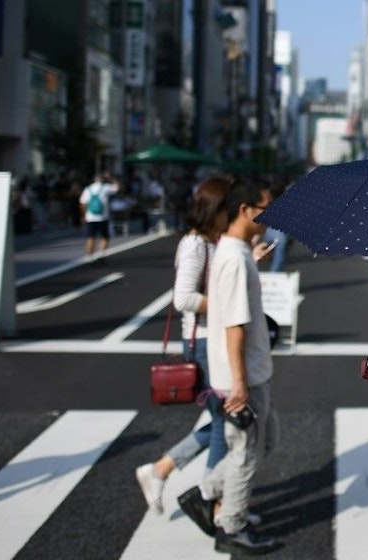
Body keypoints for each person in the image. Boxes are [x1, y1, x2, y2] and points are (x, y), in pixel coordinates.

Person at [135, 176, 231, 521]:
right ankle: (212, 500)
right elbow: (183, 298)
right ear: (213, 210)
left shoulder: (211, 242)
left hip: (212, 338)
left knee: (229, 420)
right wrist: (225, 301)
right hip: (202, 342)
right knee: (226, 422)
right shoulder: (194, 245)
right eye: (227, 209)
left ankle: (162, 470)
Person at [201, 177, 279, 554]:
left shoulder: (237, 253)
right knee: (246, 452)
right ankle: (231, 524)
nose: (269, 213)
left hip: (252, 370)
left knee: (265, 441)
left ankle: (207, 494)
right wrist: (239, 382)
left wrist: (255, 260)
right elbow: (234, 324)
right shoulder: (232, 259)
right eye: (265, 206)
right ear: (245, 210)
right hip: (243, 375)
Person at [79, 172, 121, 261]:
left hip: (90, 217)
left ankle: (90, 257)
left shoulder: (88, 189)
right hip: (103, 217)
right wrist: (110, 178)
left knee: (90, 237)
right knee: (105, 236)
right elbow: (117, 187)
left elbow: (82, 203)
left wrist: (84, 215)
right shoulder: (105, 187)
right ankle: (101, 254)